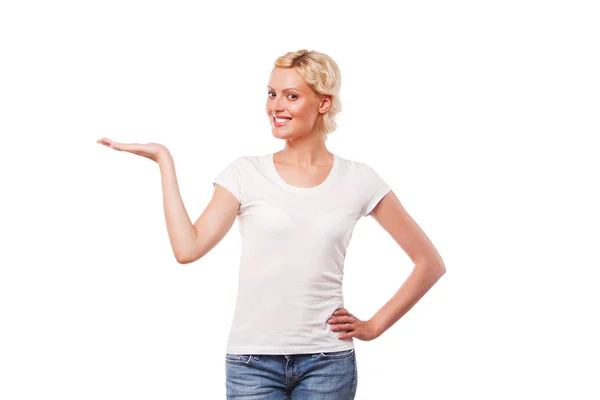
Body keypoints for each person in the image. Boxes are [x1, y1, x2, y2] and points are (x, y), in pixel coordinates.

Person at [97, 49, 446, 400]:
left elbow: (429, 263)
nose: (276, 106)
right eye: (272, 93)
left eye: (291, 96)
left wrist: (373, 326)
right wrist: (164, 160)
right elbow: (187, 249)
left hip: (327, 362)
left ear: (323, 103)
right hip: (252, 362)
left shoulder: (359, 179)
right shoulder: (245, 173)